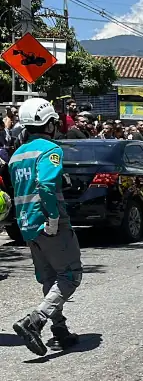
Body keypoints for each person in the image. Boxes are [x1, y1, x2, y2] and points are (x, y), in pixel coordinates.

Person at [8, 98, 83, 356]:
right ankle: (35, 321)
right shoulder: (50, 149)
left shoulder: (17, 155)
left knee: (50, 278)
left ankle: (60, 330)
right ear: (49, 123)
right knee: (71, 275)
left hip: (26, 224)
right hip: (49, 222)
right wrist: (52, 218)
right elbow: (47, 185)